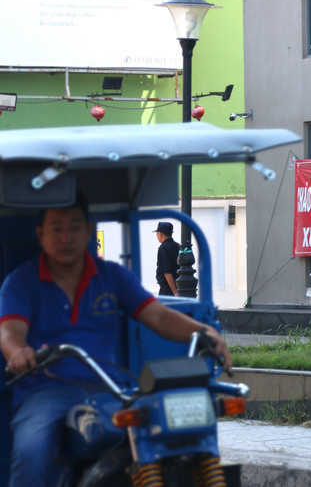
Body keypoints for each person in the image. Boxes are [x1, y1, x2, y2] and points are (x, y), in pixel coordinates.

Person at [0, 195, 233, 487]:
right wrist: (19, 352)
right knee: (31, 452)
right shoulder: (22, 281)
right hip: (44, 390)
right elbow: (10, 331)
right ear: (41, 234)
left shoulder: (112, 277)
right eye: (56, 228)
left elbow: (159, 317)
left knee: (163, 432)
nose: (65, 236)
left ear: (88, 230)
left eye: (74, 227)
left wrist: (202, 331)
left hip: (107, 388)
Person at [154, 221, 180, 296]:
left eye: (157, 233)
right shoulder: (178, 246)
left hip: (168, 290)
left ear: (161, 234)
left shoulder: (163, 248)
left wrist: (175, 292)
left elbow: (167, 272)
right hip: (179, 286)